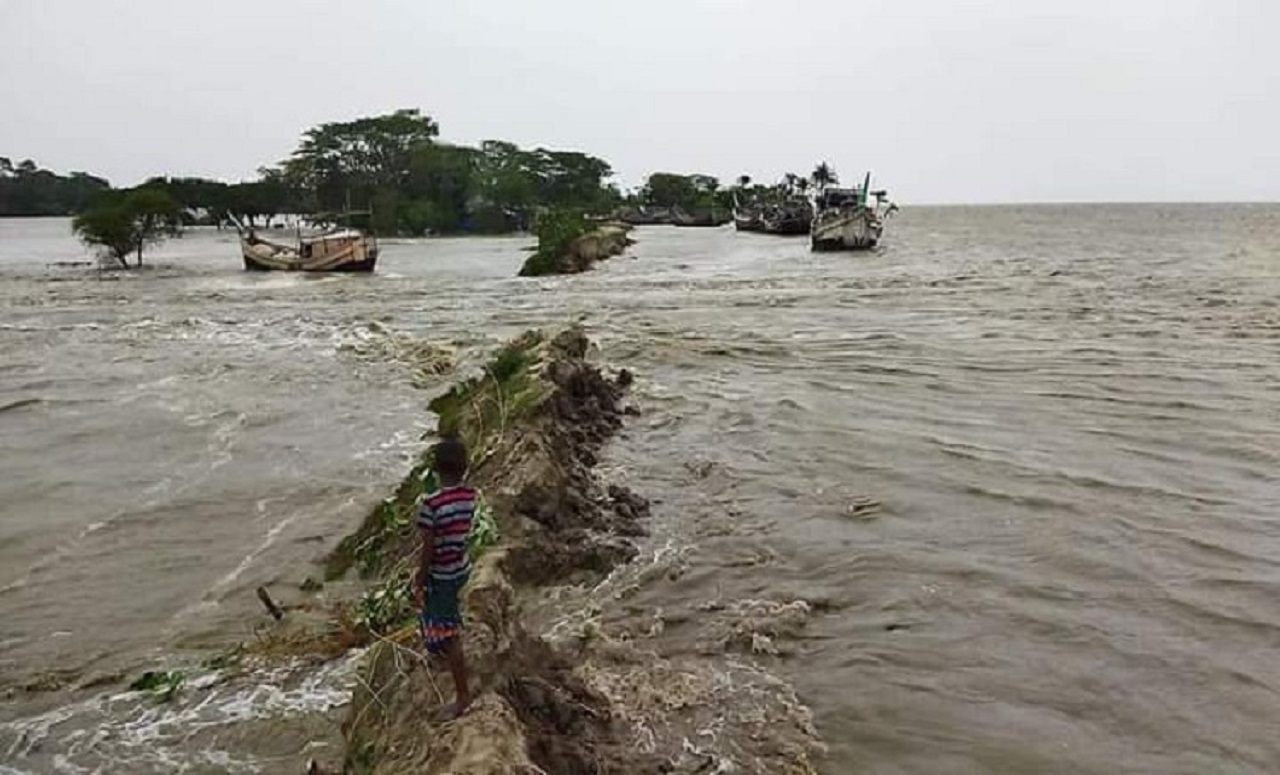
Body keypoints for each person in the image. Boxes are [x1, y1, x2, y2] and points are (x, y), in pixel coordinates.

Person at [414, 437, 475, 717]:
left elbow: (428, 548)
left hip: (441, 574)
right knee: (439, 617)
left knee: (448, 633)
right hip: (460, 568)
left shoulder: (432, 505)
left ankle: (462, 697)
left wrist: (419, 580)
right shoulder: (468, 497)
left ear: (436, 469)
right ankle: (439, 650)